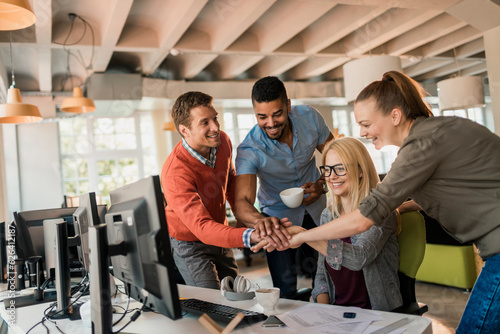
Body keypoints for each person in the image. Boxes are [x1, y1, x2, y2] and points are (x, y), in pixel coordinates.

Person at [261, 71, 500, 333]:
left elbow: (365, 219)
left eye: (366, 123)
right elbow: (456, 186)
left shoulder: (420, 146)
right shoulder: (432, 135)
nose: (362, 132)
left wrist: (301, 237)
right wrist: (403, 206)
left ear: (394, 116)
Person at [235, 76, 334, 298]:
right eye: (262, 117)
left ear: (288, 105)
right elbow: (241, 203)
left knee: (331, 276)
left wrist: (321, 185)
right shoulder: (249, 150)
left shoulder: (310, 117)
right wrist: (262, 222)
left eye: (277, 114)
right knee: (285, 290)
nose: (270, 123)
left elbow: (336, 160)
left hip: (318, 210)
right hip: (277, 221)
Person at [161, 91, 266, 289]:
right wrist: (249, 236)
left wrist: (244, 215)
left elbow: (230, 179)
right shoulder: (175, 172)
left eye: (215, 118)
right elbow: (201, 227)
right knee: (211, 299)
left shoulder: (223, 142)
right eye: (205, 122)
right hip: (190, 243)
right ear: (185, 130)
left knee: (236, 292)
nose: (215, 127)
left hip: (218, 230)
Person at [311, 137, 402, 311]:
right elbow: (321, 275)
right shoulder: (327, 216)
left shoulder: (379, 213)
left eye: (340, 168)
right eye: (328, 169)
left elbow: (358, 258)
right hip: (338, 314)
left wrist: (303, 236)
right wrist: (323, 313)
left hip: (376, 315)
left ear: (360, 170)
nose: (332, 176)